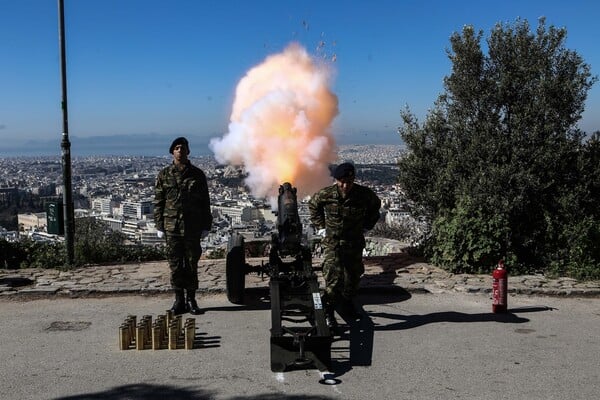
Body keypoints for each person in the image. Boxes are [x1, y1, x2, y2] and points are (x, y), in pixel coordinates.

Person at [308, 162, 381, 328]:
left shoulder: (363, 194)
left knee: (353, 277)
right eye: (342, 181)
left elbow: (375, 207)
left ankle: (347, 303)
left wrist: (367, 226)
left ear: (354, 179)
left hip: (354, 242)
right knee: (334, 278)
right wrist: (321, 227)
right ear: (336, 180)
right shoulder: (327, 194)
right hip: (333, 243)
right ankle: (328, 311)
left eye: (349, 182)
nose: (345, 185)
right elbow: (313, 205)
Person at [154, 137, 212, 315]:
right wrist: (159, 225)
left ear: (188, 151)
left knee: (191, 264)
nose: (180, 150)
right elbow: (158, 201)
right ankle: (178, 300)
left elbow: (205, 202)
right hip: (172, 227)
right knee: (175, 265)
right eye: (177, 148)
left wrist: (206, 225)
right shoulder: (164, 175)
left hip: (192, 226)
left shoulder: (197, 175)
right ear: (172, 152)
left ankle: (191, 300)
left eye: (183, 148)